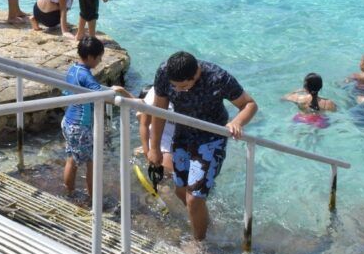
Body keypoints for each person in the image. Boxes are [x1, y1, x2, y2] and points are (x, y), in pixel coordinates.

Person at [146, 51, 258, 241]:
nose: (178, 90)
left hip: (211, 139)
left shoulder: (218, 77)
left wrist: (237, 122)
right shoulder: (165, 72)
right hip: (182, 136)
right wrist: (154, 148)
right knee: (181, 191)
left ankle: (199, 243)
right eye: (175, 87)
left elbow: (249, 104)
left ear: (196, 74)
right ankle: (204, 220)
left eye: (183, 87)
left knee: (194, 197)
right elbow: (159, 111)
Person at [62, 37, 131, 198]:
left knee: (71, 158)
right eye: (99, 57)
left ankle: (69, 192)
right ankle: (95, 199)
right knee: (92, 163)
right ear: (91, 57)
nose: (100, 61)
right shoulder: (86, 76)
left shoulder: (73, 69)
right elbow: (103, 96)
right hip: (80, 126)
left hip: (68, 121)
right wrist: (116, 91)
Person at [138, 85, 175, 179]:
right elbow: (144, 124)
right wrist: (148, 152)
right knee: (166, 175)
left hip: (181, 139)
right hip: (162, 139)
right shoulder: (157, 90)